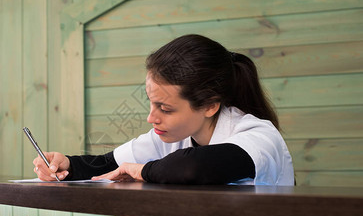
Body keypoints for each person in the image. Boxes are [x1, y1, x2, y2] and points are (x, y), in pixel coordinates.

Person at [33, 34, 294, 185]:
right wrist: (64, 164)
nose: (151, 117)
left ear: (210, 106)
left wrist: (141, 170)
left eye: (165, 108)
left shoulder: (257, 135)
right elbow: (105, 165)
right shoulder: (171, 137)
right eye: (150, 102)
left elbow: (193, 168)